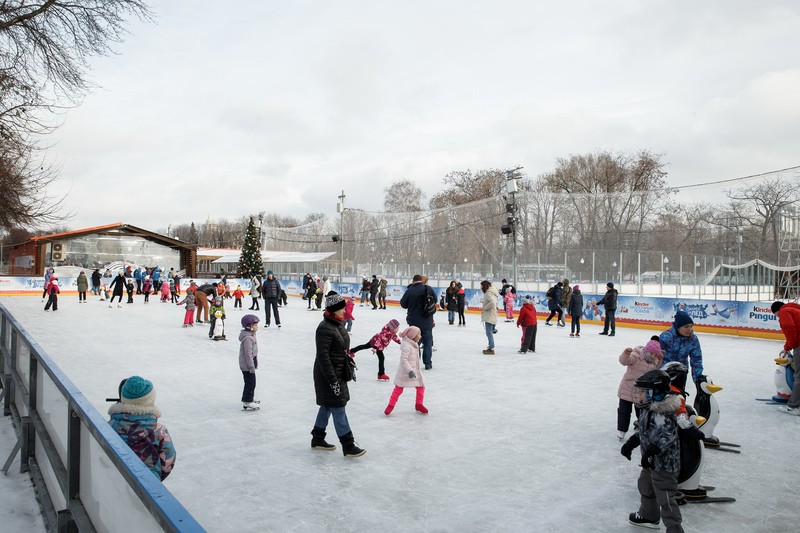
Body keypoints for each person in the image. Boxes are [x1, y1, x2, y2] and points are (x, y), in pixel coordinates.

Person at [620, 369, 684, 532]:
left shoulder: (664, 413)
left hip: (664, 466)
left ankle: (674, 528)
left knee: (665, 497)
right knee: (646, 486)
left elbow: (668, 436)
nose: (639, 396)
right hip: (650, 462)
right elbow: (644, 431)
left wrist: (651, 451)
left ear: (656, 393)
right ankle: (649, 515)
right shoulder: (647, 409)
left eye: (643, 392)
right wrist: (632, 442)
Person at [310, 292, 366, 457]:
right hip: (328, 375)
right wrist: (333, 380)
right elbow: (323, 357)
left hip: (338, 372)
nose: (345, 310)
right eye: (341, 308)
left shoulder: (337, 324)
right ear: (333, 309)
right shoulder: (324, 328)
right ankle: (348, 445)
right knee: (338, 408)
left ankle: (318, 438)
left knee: (327, 406)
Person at [107, 376, 176, 481]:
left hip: (113, 481)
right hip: (148, 485)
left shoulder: (110, 426)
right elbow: (167, 462)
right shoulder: (159, 431)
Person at [617, 338, 663, 440]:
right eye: (651, 353)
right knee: (624, 411)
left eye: (655, 355)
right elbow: (624, 362)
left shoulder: (654, 361)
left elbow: (656, 370)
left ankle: (643, 430)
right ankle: (622, 430)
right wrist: (626, 354)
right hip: (627, 389)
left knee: (642, 413)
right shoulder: (636, 356)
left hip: (642, 393)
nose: (653, 356)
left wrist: (660, 360)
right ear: (646, 350)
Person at [384, 326, 428, 415]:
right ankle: (390, 406)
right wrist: (410, 371)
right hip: (406, 371)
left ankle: (419, 404)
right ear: (413, 336)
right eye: (418, 334)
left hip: (414, 371)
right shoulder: (407, 346)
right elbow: (403, 360)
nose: (420, 336)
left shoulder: (413, 343)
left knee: (421, 386)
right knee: (398, 389)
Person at [659, 311, 703, 392]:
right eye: (686, 326)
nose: (689, 329)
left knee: (679, 398)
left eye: (691, 326)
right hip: (664, 373)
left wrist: (698, 379)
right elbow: (655, 355)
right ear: (678, 327)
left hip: (681, 373)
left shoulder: (693, 340)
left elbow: (696, 360)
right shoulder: (666, 337)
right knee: (663, 399)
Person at [400, 274, 436, 370]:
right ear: (421, 280)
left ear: (413, 280)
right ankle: (428, 364)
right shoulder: (428, 289)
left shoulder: (410, 290)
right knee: (428, 343)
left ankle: (416, 363)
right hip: (427, 320)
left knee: (415, 343)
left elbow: (403, 304)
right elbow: (435, 300)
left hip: (414, 321)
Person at [770, 301, 800, 415]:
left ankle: (794, 406)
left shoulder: (784, 312)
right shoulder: (794, 309)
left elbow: (790, 328)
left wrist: (793, 345)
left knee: (798, 375)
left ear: (776, 311)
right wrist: (787, 347)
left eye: (776, 315)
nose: (778, 317)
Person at [239, 314, 260, 410]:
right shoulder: (248, 338)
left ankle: (249, 398)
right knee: (250, 383)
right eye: (255, 325)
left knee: (251, 382)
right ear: (249, 326)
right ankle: (247, 401)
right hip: (247, 365)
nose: (257, 327)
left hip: (250, 363)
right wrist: (251, 366)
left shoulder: (251, 335)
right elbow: (248, 354)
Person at [480, 280, 499, 355]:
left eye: (481, 286)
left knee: (489, 333)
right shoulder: (491, 293)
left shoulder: (488, 294)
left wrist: (485, 307)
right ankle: (490, 346)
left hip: (489, 316)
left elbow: (492, 303)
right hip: (492, 315)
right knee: (489, 332)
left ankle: (491, 347)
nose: (481, 288)